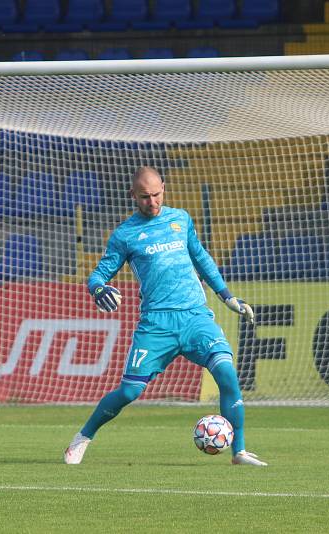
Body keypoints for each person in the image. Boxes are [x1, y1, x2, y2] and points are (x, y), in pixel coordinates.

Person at [64, 166, 267, 466]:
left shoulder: (180, 219)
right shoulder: (125, 235)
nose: (152, 201)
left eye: (156, 194)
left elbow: (202, 258)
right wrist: (97, 289)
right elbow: (98, 274)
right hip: (157, 323)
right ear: (132, 195)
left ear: (164, 189)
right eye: (145, 196)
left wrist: (228, 297)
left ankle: (239, 451)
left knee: (227, 374)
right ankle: (82, 438)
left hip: (195, 317)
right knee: (130, 390)